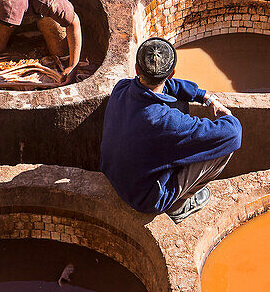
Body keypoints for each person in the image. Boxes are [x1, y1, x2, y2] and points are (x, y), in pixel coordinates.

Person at [100, 37, 241, 222]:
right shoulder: (166, 121)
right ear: (172, 73)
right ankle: (178, 205)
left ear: (136, 69)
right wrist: (226, 115)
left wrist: (203, 96)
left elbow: (167, 86)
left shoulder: (121, 88)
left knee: (177, 99)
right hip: (144, 199)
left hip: (112, 172)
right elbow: (234, 134)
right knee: (222, 148)